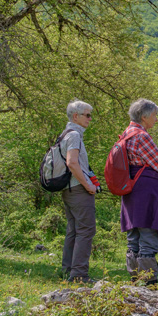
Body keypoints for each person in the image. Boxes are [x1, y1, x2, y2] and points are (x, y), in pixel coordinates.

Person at [119, 98, 158, 284]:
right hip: (146, 191)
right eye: (154, 115)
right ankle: (148, 281)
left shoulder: (126, 133)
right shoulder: (141, 136)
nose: (156, 120)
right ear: (144, 116)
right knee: (149, 232)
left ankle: (135, 278)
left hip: (131, 190)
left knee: (134, 234)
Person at [60, 100, 98, 284]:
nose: (90, 119)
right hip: (77, 189)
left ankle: (68, 270)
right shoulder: (74, 135)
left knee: (74, 230)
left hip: (68, 189)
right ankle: (79, 276)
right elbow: (72, 163)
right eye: (87, 115)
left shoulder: (65, 134)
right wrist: (88, 185)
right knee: (86, 229)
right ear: (76, 116)